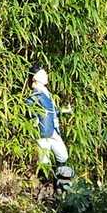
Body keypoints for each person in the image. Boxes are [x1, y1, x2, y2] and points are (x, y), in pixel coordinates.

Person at [27, 67, 73, 197]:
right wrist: (33, 119)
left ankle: (60, 186)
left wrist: (63, 111)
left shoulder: (46, 93)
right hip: (42, 132)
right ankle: (46, 190)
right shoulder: (36, 95)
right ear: (35, 77)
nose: (46, 76)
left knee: (63, 155)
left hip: (53, 131)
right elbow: (28, 107)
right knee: (44, 161)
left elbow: (51, 111)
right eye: (43, 74)